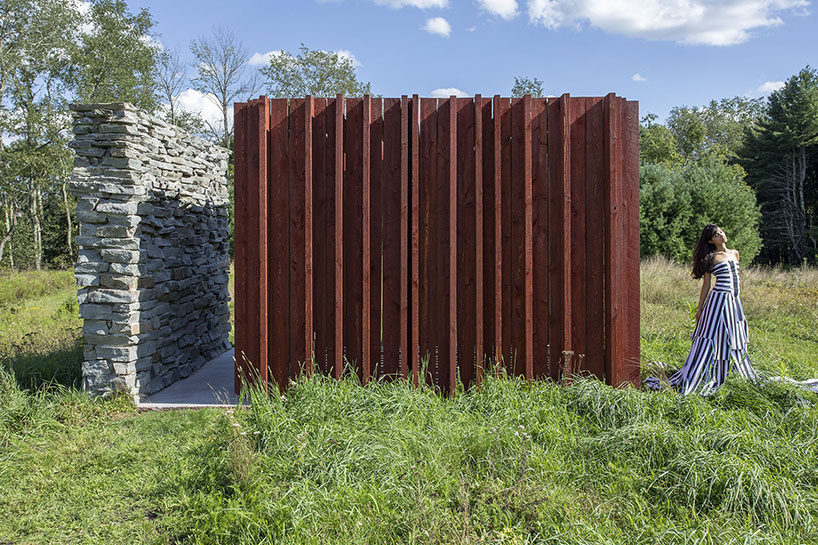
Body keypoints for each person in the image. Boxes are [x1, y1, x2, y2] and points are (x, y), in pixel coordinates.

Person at [644, 224, 760, 395]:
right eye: (716, 234)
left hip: (734, 302)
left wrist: (736, 301)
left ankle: (728, 371)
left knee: (733, 336)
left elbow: (737, 280)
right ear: (710, 240)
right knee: (710, 336)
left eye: (721, 231)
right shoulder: (712, 257)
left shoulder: (735, 253)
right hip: (718, 300)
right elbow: (706, 285)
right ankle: (703, 371)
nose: (721, 234)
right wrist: (700, 310)